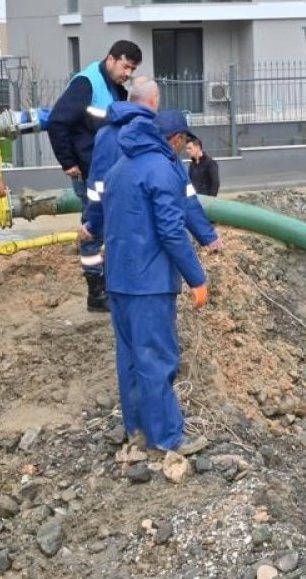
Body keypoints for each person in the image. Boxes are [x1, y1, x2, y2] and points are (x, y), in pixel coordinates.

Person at [102, 109, 211, 455]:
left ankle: (137, 430)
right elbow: (171, 231)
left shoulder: (120, 167)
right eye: (184, 141)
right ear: (176, 139)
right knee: (157, 358)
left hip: (118, 281)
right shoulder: (162, 169)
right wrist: (196, 278)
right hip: (149, 283)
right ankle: (167, 437)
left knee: (131, 359)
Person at [47, 39, 142, 312]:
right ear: (111, 59)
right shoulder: (87, 84)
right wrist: (68, 163)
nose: (127, 73)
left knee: (110, 229)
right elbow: (57, 121)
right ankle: (96, 293)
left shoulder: (116, 88)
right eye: (126, 67)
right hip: (89, 173)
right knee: (92, 230)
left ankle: (110, 288)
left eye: (132, 70)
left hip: (107, 172)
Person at [81, 78, 222, 257]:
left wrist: (92, 223)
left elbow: (97, 188)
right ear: (154, 99)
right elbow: (183, 195)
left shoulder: (105, 134)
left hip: (116, 233)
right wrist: (208, 236)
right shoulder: (158, 133)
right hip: (150, 238)